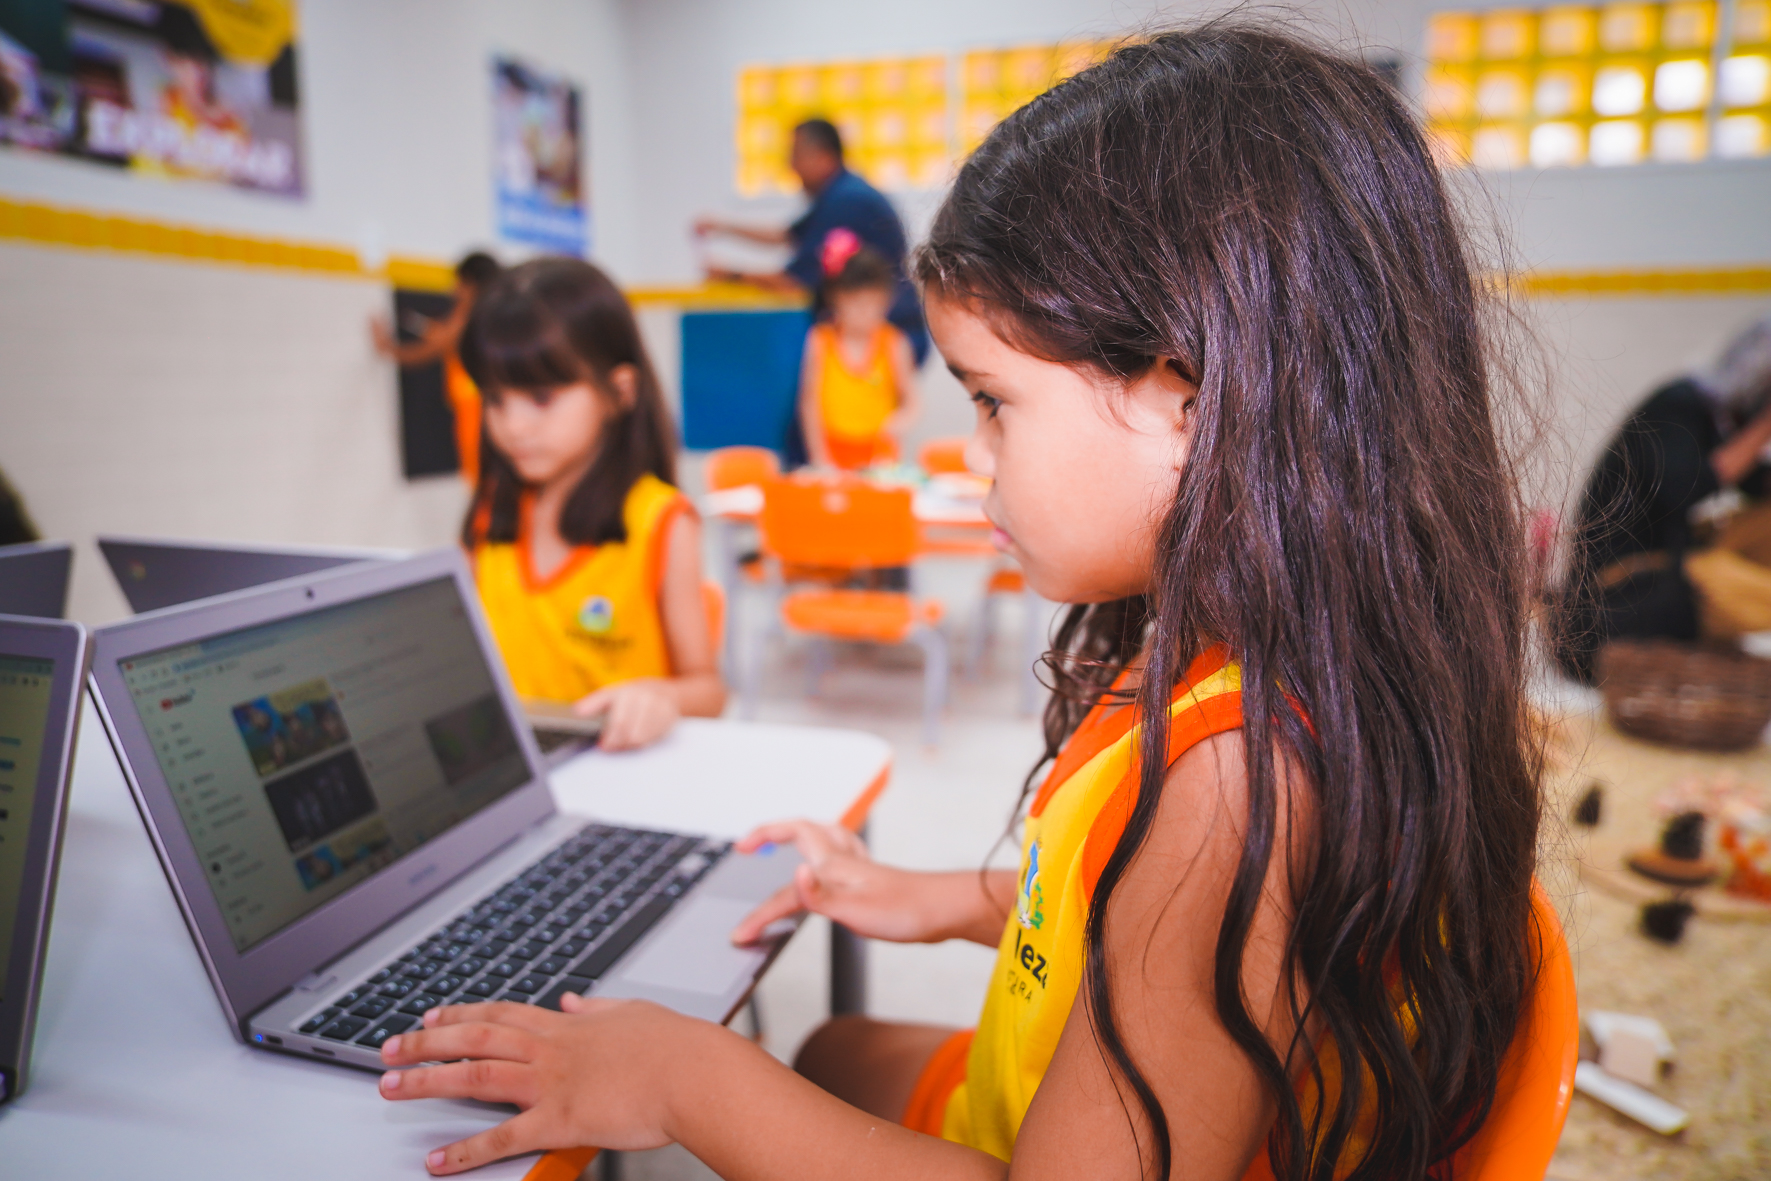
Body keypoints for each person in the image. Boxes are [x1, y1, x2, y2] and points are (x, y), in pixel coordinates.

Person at [376, 27, 1545, 1181]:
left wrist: (684, 1077)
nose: (974, 453)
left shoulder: (1240, 787)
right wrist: (927, 896)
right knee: (827, 1047)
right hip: (1022, 1096)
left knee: (756, 1073)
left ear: (1184, 390)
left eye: (992, 401)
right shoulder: (1235, 649)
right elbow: (1114, 906)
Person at [457, 258, 724, 752]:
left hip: (616, 767)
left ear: (618, 392)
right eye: (494, 399)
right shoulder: (491, 513)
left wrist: (660, 697)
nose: (513, 425)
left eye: (541, 397)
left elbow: (708, 691)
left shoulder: (661, 521)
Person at [1555, 315, 1771, 682]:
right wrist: (1764, 426)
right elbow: (1683, 488)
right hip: (1621, 589)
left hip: (1666, 567)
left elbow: (1755, 485)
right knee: (1723, 581)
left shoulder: (1715, 419)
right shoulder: (1677, 406)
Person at [695, 118, 927, 364]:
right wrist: (724, 227)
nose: (790, 166)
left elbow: (793, 282)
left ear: (824, 157)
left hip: (887, 333)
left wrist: (730, 275)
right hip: (880, 331)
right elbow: (786, 236)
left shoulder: (846, 202)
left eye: (795, 155)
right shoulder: (840, 193)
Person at [372, 251, 504, 484]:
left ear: (472, 284)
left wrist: (388, 348)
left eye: (460, 284)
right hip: (485, 407)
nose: (455, 291)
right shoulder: (496, 313)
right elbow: (444, 338)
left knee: (484, 478)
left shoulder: (470, 315)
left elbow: (435, 346)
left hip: (477, 410)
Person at [800, 242, 921, 470]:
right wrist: (820, 459)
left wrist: (901, 420)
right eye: (857, 304)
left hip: (880, 455)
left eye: (874, 305)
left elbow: (912, 402)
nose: (865, 313)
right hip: (832, 453)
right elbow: (809, 405)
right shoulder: (820, 340)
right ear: (836, 299)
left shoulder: (894, 343)